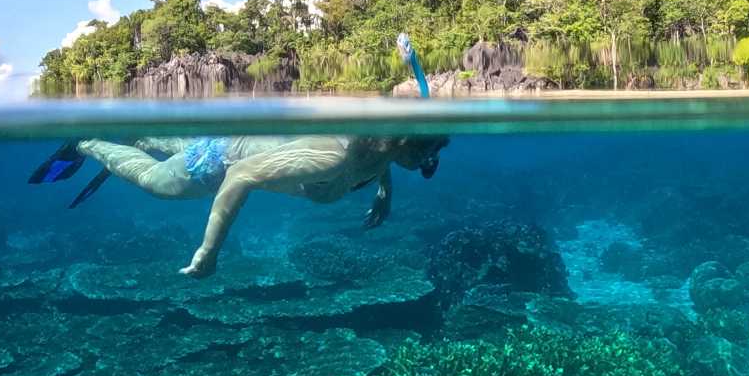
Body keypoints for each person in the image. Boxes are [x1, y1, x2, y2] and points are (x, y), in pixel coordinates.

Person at [30, 130, 448, 275]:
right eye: (432, 150)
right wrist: (208, 253)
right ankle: (86, 143)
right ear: (407, 142)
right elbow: (240, 176)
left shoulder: (375, 151)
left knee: (181, 151)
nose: (433, 161)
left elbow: (380, 159)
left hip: (233, 145)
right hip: (220, 162)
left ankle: (140, 138)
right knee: (153, 181)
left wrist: (383, 192)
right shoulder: (333, 155)